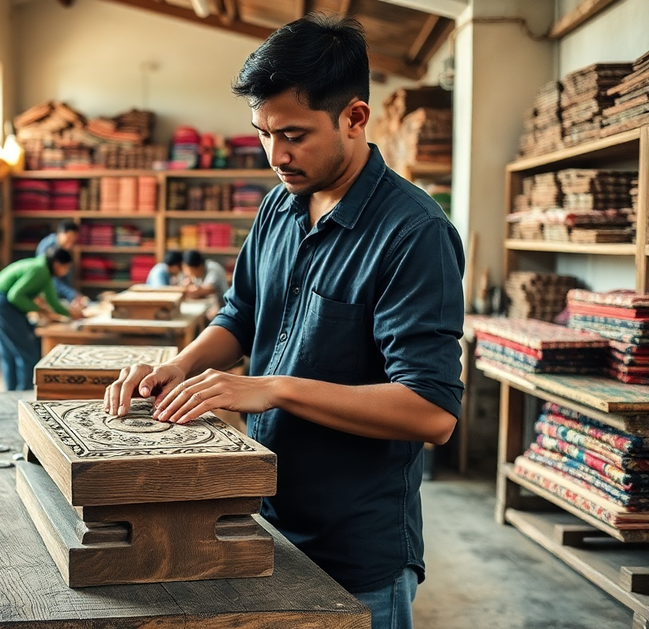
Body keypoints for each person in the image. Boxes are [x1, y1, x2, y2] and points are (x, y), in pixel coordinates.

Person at [104, 14, 464, 629]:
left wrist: (273, 388)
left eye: (294, 134)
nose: (276, 156)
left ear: (355, 117)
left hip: (355, 547)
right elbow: (241, 312)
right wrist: (178, 365)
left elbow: (431, 412)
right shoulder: (280, 203)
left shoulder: (414, 234)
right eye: (263, 134)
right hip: (259, 510)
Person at [0, 248, 82, 391]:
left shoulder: (43, 271)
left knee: (9, 354)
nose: (65, 271)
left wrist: (71, 313)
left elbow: (53, 302)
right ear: (58, 264)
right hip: (1, 304)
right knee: (27, 354)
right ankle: (23, 395)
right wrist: (39, 309)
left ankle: (11, 394)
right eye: (66, 267)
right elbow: (15, 296)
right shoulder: (39, 270)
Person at [35, 221, 87, 308]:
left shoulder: (64, 248)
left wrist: (74, 296)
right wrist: (72, 294)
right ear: (61, 233)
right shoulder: (49, 247)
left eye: (73, 240)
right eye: (69, 237)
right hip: (48, 292)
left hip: (60, 294)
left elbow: (66, 275)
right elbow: (49, 277)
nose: (71, 242)